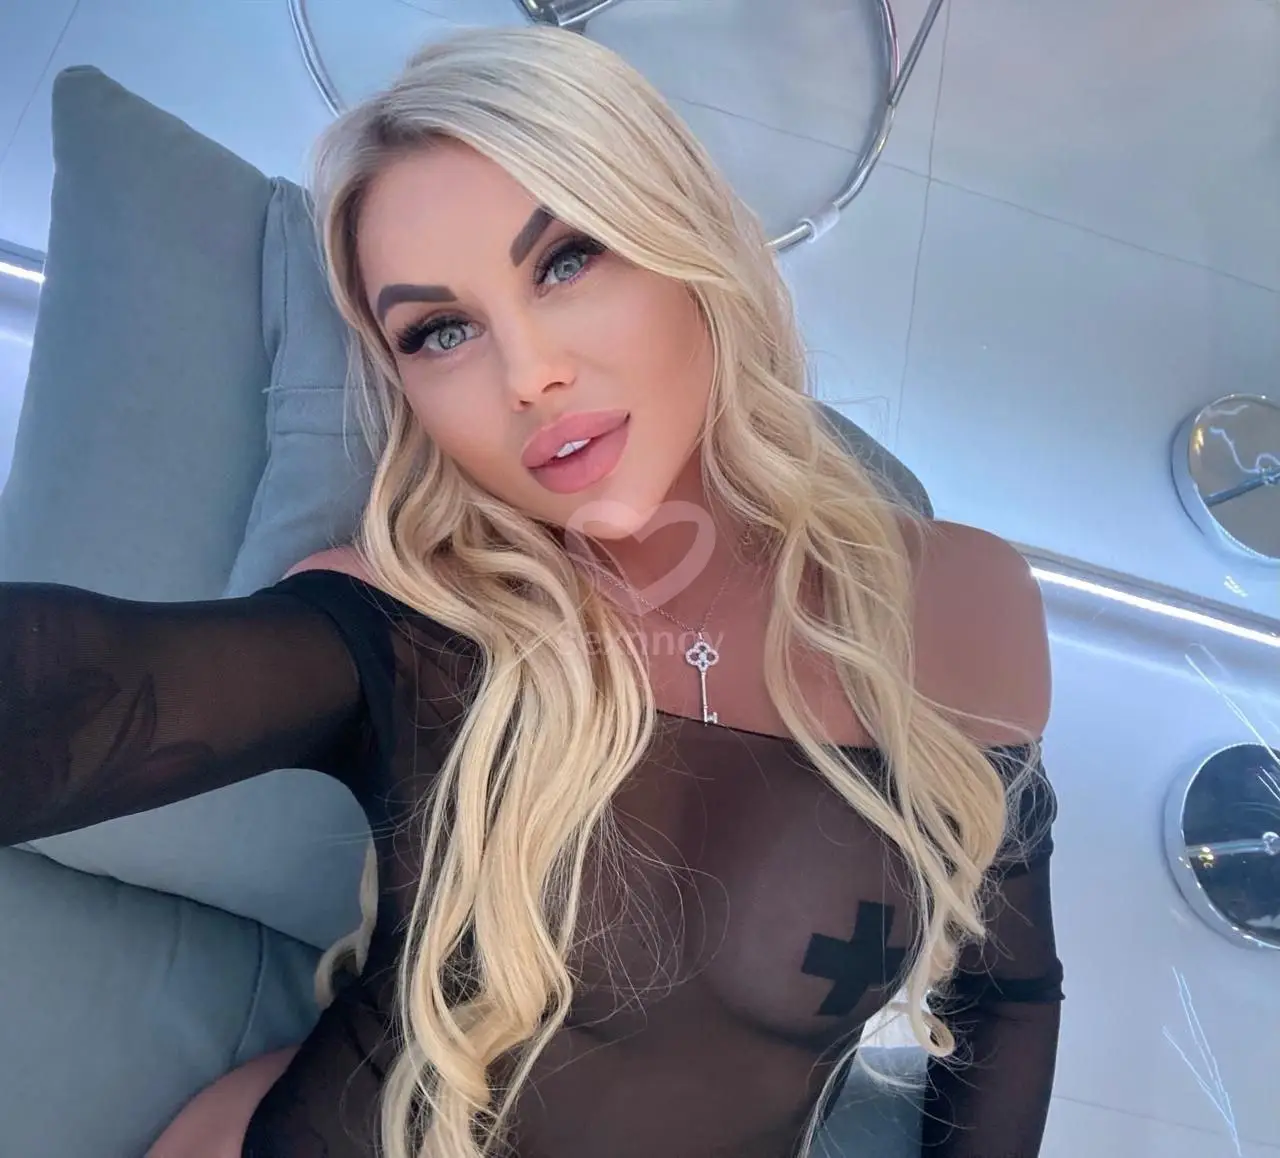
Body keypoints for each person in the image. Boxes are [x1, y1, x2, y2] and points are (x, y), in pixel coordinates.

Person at [0, 24, 1063, 1158]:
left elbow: (1007, 995)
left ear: (685, 239)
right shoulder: (416, 633)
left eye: (564, 261)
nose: (527, 376)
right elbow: (92, 693)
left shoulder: (952, 603)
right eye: (441, 331)